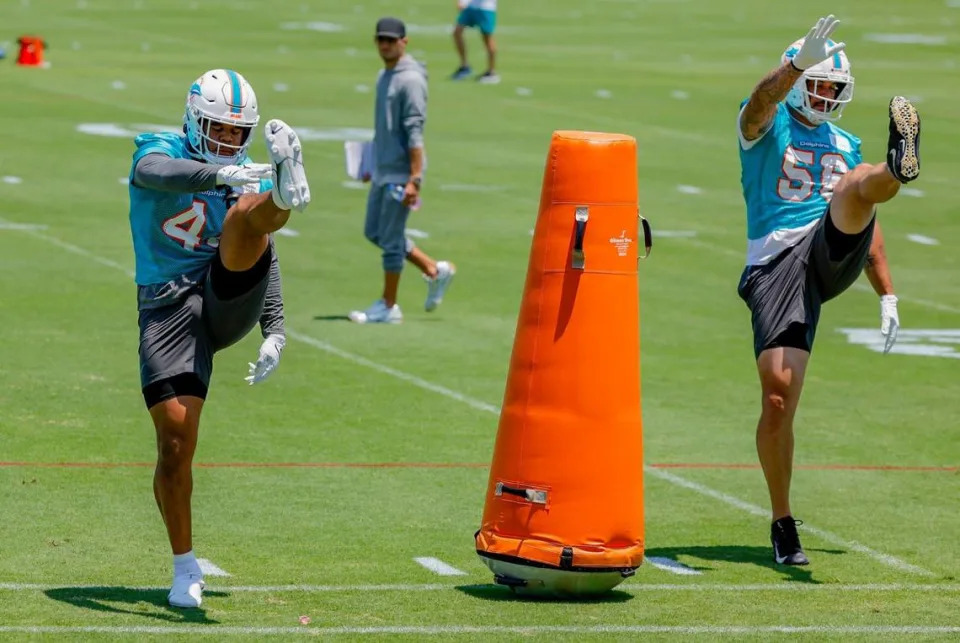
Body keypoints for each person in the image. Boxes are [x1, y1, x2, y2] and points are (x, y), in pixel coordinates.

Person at [735, 15, 920, 566]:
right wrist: (794, 65)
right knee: (776, 397)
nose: (825, 95)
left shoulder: (842, 139)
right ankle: (782, 520)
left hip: (833, 246)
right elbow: (760, 103)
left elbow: (867, 219)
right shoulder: (766, 126)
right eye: (819, 83)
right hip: (777, 265)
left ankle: (898, 165)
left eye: (833, 89)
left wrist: (886, 292)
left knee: (857, 183)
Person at [128, 68, 310, 607]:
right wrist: (221, 174)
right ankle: (185, 566)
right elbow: (154, 171)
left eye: (237, 133)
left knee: (244, 219)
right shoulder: (159, 146)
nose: (229, 141)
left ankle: (285, 188)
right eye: (219, 130)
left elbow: (261, 247)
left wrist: (274, 328)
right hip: (168, 307)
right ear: (193, 119)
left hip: (226, 292)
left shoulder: (240, 172)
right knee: (176, 443)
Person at [350, 17, 456, 324]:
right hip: (383, 169)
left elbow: (414, 132)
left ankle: (389, 305)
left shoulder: (409, 80)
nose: (384, 45)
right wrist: (371, 162)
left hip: (401, 174)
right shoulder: (385, 75)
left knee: (391, 238)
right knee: (376, 232)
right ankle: (435, 270)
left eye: (390, 40)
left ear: (404, 42)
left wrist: (415, 179)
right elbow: (384, 127)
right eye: (380, 39)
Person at [450, 0, 500, 84]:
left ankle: (491, 72)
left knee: (487, 38)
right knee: (457, 32)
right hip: (470, 6)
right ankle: (464, 66)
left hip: (486, 7)